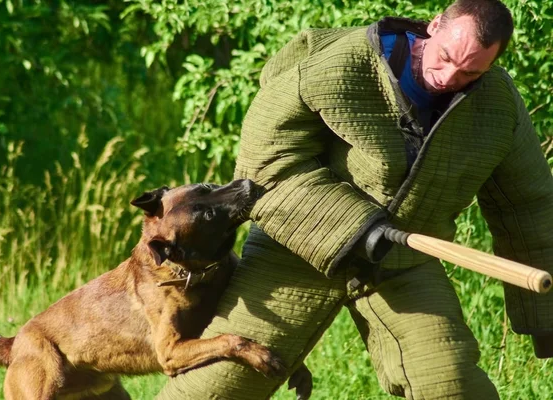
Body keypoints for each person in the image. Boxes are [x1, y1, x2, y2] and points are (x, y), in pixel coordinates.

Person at [156, 0, 553, 398]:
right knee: (213, 387)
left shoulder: (498, 105)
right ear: (434, 26)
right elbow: (265, 161)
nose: (448, 77)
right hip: (295, 251)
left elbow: (529, 206)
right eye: (446, 57)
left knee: (454, 385)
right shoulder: (340, 62)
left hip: (402, 263)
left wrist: (547, 320)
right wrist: (358, 228)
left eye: (470, 72)